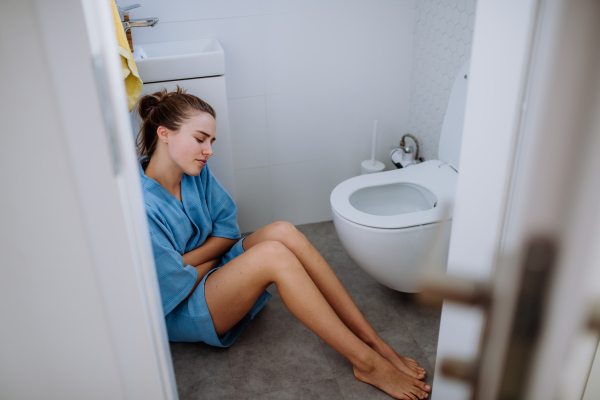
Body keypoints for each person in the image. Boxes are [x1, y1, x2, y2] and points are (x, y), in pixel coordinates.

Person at [136, 87, 431, 400]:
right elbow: (174, 282)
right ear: (165, 134)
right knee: (272, 255)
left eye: (211, 141)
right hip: (185, 306)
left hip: (208, 274)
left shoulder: (195, 172)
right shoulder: (139, 205)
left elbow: (227, 231)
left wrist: (193, 259)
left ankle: (373, 340)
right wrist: (208, 259)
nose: (208, 150)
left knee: (283, 231)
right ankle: (366, 362)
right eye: (200, 139)